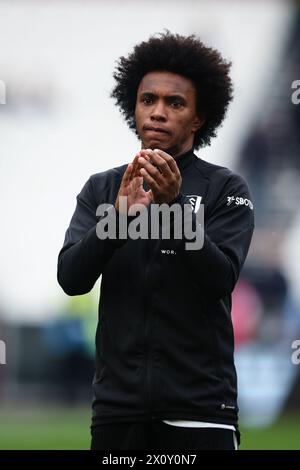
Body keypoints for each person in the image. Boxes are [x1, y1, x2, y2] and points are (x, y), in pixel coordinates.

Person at [57, 31, 255, 451]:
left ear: (199, 118)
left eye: (175, 103)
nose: (158, 113)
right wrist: (119, 221)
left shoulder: (225, 187)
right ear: (134, 107)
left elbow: (221, 279)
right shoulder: (102, 188)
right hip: (117, 412)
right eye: (148, 100)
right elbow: (71, 278)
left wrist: (176, 207)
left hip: (200, 411)